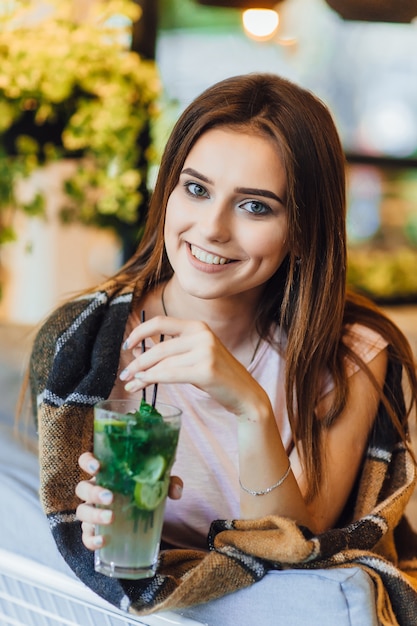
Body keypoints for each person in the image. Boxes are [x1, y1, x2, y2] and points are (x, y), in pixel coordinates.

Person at [30, 73, 417, 621]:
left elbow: (295, 553)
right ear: (167, 189)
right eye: (196, 188)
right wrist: (98, 521)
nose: (211, 228)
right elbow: (60, 516)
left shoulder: (353, 353)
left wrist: (249, 404)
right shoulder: (85, 344)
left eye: (255, 206)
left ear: (304, 230)